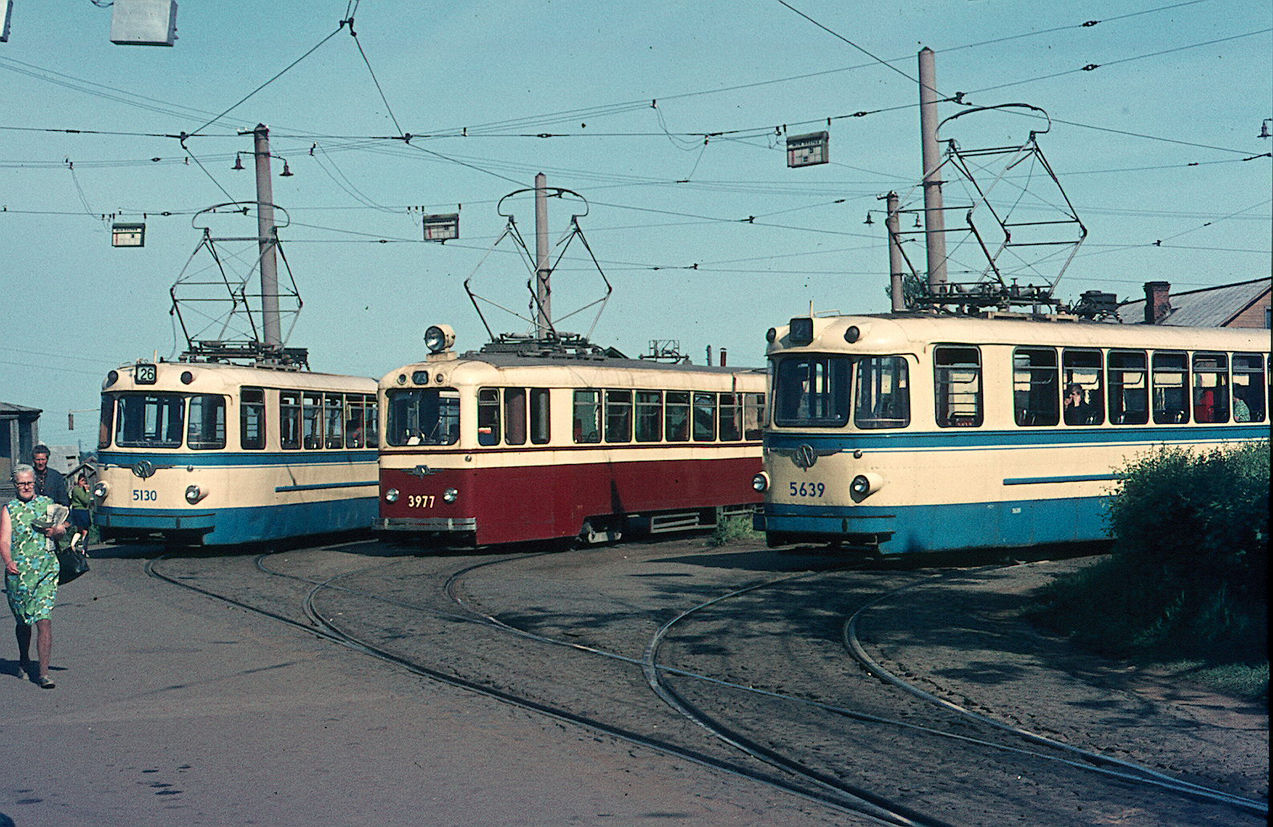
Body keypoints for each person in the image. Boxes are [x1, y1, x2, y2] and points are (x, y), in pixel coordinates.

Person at [2, 464, 68, 688]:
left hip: (46, 570)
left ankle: (43, 673)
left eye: (29, 483)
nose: (26, 487)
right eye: (21, 483)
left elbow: (63, 527)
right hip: (19, 574)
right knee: (24, 621)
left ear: (35, 483)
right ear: (15, 485)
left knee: (44, 620)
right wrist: (8, 561)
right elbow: (4, 540)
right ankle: (23, 658)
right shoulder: (9, 509)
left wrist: (58, 531)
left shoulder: (47, 504)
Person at [68, 474, 94, 554]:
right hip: (80, 511)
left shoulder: (80, 489)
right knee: (84, 531)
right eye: (82, 481)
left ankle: (75, 545)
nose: (84, 483)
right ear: (78, 481)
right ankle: (83, 548)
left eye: (84, 481)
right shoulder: (77, 490)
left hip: (82, 510)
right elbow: (86, 500)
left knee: (81, 530)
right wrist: (87, 491)